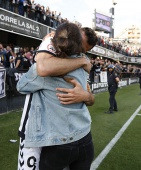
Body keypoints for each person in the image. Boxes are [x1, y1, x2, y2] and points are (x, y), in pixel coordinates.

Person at [17, 23, 97, 170]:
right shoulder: (83, 66)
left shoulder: (43, 72)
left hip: (60, 143)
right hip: (85, 137)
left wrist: (42, 48)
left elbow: (21, 86)